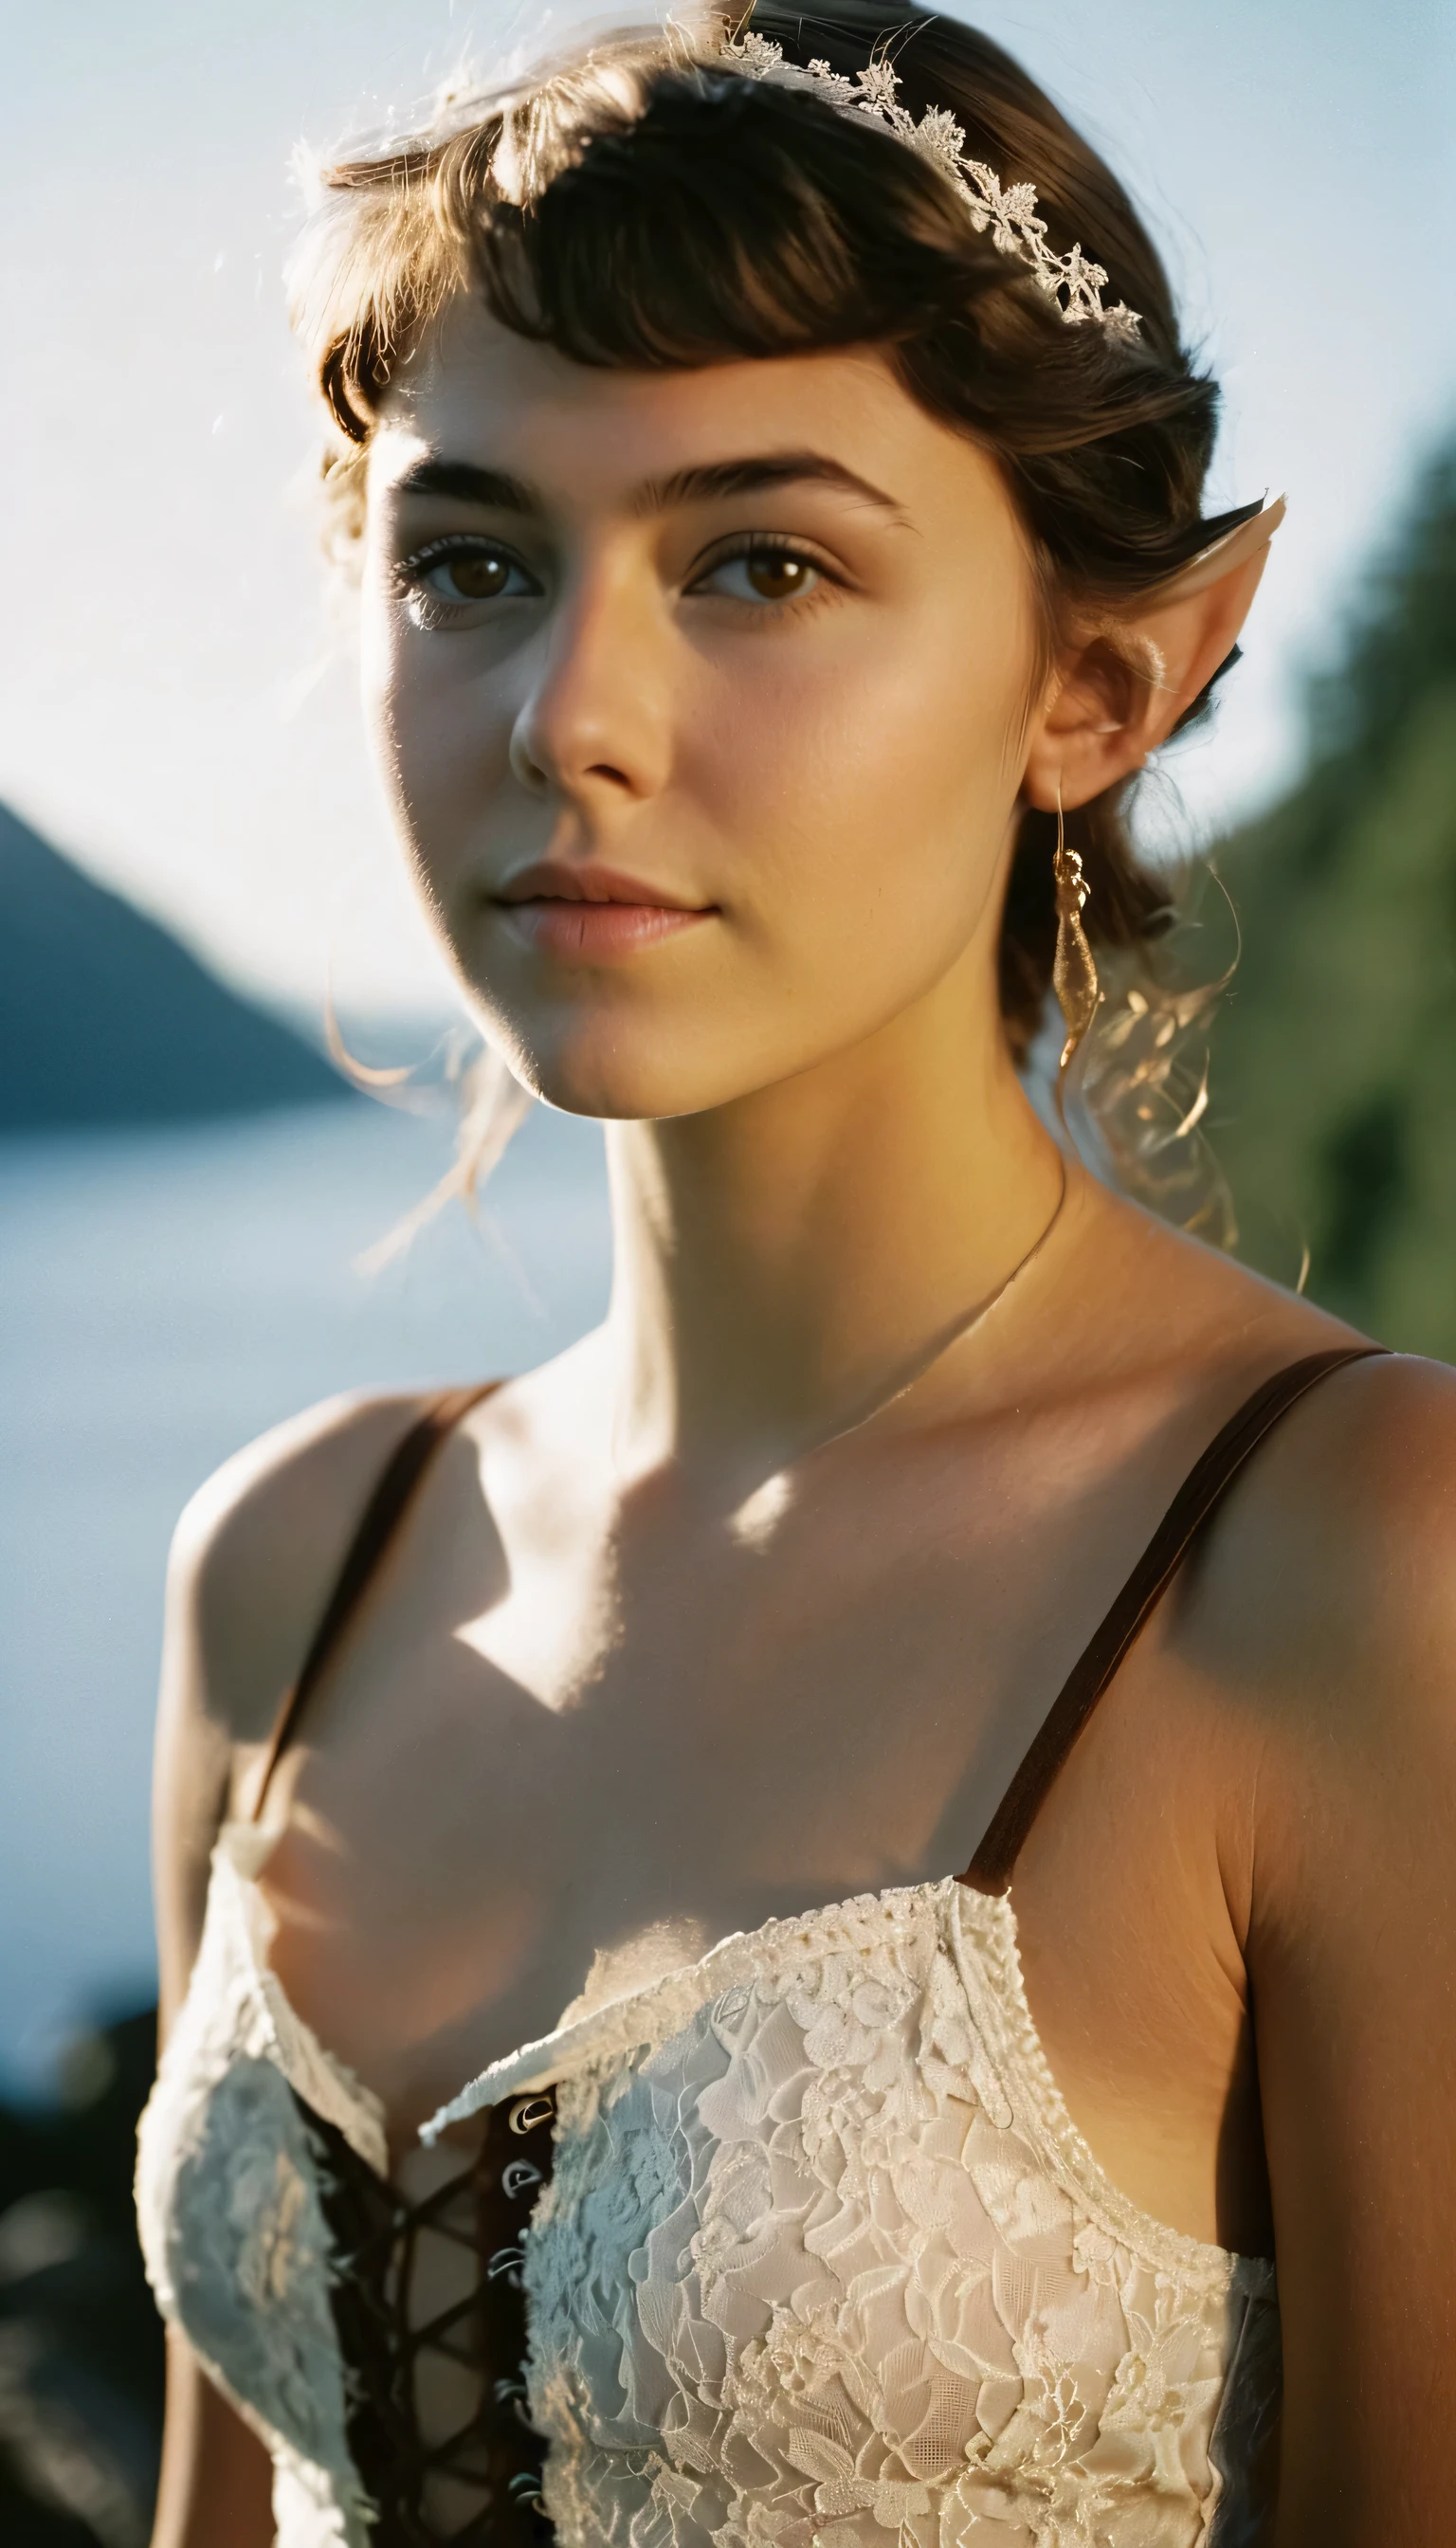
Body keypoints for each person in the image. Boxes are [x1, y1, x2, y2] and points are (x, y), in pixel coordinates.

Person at [135, 9, 1456, 2544]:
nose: (570, 714)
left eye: (764, 561)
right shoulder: (294, 1564)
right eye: (472, 565)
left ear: (1098, 679)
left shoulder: (1347, 1561)